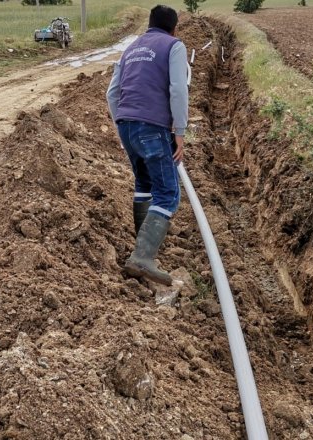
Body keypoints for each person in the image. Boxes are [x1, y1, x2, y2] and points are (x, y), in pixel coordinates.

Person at [106, 5, 188, 286]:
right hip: (152, 127)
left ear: (149, 25)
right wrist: (180, 131)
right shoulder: (174, 46)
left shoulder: (131, 49)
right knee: (167, 193)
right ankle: (143, 256)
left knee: (143, 184)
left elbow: (112, 92)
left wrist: (123, 124)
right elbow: (178, 89)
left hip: (127, 123)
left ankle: (141, 253)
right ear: (174, 28)